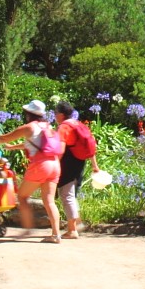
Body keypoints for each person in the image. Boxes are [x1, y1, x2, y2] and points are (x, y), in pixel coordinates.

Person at [0, 99, 64, 243]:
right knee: (49, 200)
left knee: (22, 197)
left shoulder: (29, 127)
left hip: (40, 165)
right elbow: (31, 144)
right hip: (55, 164)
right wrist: (11, 147)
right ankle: (56, 235)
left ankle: (28, 229)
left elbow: (5, 137)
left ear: (29, 113)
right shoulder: (48, 126)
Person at [53, 101, 100, 239]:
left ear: (61, 115)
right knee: (71, 194)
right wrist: (94, 165)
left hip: (67, 163)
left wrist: (55, 164)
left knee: (66, 195)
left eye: (56, 113)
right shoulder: (78, 124)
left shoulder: (64, 127)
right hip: (80, 163)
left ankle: (72, 230)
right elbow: (90, 147)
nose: (55, 116)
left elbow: (61, 150)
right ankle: (77, 223)